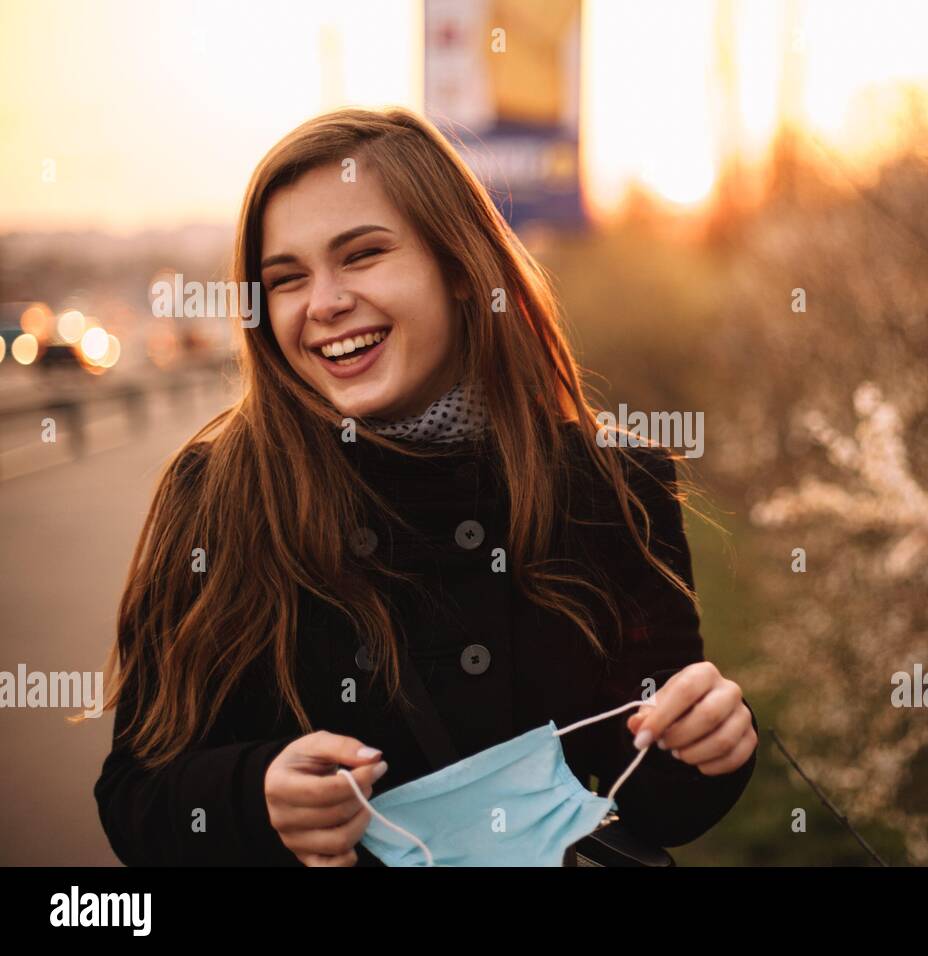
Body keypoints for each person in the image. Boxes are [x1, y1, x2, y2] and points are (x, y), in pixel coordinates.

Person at [92, 107, 759, 866]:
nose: (324, 303)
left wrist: (714, 744)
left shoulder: (609, 487)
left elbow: (660, 806)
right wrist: (253, 797)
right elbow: (135, 795)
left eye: (363, 255)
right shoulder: (218, 495)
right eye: (286, 279)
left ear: (461, 269)